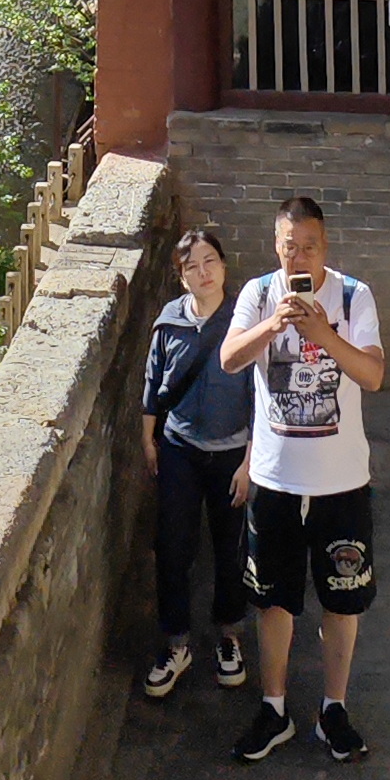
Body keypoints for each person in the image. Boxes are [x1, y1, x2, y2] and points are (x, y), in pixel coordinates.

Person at [219, 194, 383, 765]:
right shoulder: (258, 294)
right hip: (275, 479)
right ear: (276, 247)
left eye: (309, 246)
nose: (299, 258)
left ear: (325, 245)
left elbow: (374, 373)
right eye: (290, 247)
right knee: (273, 601)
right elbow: (229, 359)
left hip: (341, 481)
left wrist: (324, 334)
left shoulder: (354, 295)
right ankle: (274, 707)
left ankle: (332, 710)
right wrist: (274, 326)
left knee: (342, 599)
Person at [139, 225, 254, 697]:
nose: (202, 272)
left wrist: (250, 464)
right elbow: (153, 382)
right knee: (172, 547)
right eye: (191, 266)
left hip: (232, 453)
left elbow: (261, 398)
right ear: (180, 276)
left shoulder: (245, 322)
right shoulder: (170, 322)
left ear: (224, 266)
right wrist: (148, 440)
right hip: (180, 448)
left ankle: (229, 636)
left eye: (210, 261)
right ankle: (177, 643)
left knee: (231, 548)